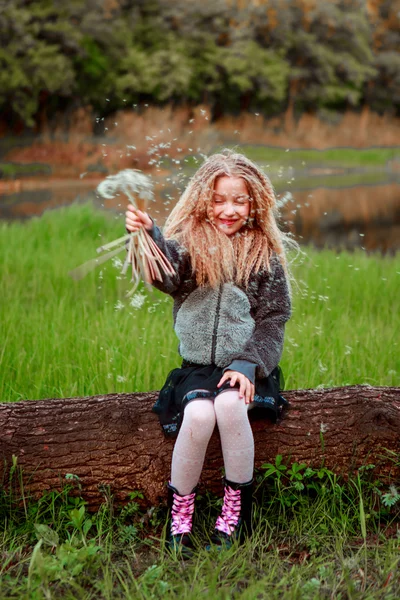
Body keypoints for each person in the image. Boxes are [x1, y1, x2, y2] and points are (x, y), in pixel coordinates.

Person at [125, 149, 296, 554]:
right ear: (204, 199)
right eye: (219, 199)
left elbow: (274, 320)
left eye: (239, 200)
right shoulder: (190, 245)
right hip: (198, 368)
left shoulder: (262, 254)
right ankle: (179, 518)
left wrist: (248, 364)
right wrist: (150, 234)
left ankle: (237, 514)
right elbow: (167, 276)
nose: (228, 209)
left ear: (256, 202)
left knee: (231, 408)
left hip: (246, 367)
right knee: (200, 414)